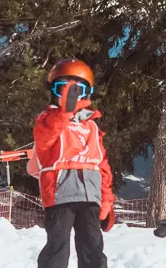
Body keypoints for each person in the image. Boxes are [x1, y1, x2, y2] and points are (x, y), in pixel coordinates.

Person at [31, 59, 116, 268]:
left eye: (77, 90)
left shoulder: (92, 127)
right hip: (61, 195)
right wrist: (63, 113)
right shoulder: (47, 120)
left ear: (88, 93)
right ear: (53, 91)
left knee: (93, 248)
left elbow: (102, 165)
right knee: (58, 247)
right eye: (64, 89)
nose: (71, 96)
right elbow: (44, 139)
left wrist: (107, 200)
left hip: (90, 197)